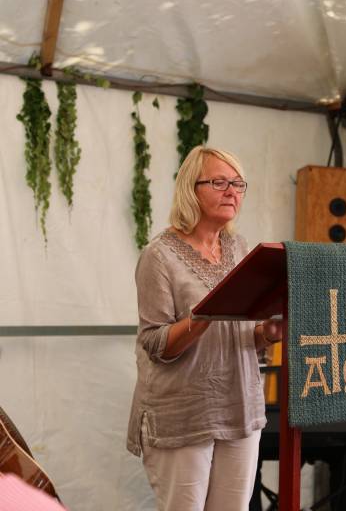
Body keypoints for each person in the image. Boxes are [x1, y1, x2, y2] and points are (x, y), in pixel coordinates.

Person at [127, 146, 283, 511]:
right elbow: (155, 343)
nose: (232, 191)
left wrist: (265, 333)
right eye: (219, 182)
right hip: (183, 413)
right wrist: (200, 318)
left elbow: (244, 330)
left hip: (239, 406)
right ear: (190, 189)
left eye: (238, 183)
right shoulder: (158, 256)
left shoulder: (239, 247)